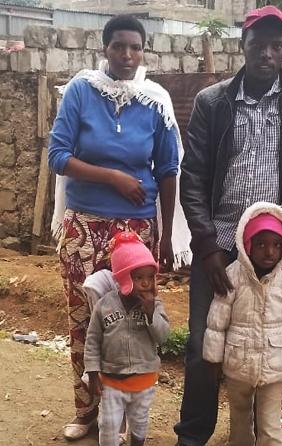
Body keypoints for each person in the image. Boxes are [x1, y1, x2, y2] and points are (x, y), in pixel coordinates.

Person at [176, 5, 282, 445]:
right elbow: (194, 177)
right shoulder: (214, 102)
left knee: (270, 341)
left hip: (276, 253)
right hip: (223, 245)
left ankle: (260, 434)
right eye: (258, 44)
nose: (267, 53)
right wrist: (206, 245)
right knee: (202, 346)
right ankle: (193, 436)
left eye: (276, 45)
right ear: (242, 46)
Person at [48, 14, 190, 440]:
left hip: (136, 232)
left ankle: (127, 409)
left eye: (135, 47)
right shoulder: (80, 91)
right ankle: (87, 410)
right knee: (83, 318)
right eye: (118, 46)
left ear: (143, 51)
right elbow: (58, 156)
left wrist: (164, 236)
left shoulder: (155, 100)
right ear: (104, 48)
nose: (127, 55)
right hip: (83, 229)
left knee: (131, 321)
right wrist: (113, 177)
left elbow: (168, 169)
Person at [202, 202, 282, 446]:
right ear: (247, 245)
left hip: (275, 368)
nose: (269, 252)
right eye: (261, 244)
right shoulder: (232, 274)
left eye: (276, 245)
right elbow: (216, 321)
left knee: (270, 427)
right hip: (237, 365)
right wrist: (213, 360)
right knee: (240, 423)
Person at [85, 231, 171, 446]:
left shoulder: (155, 305)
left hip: (144, 380)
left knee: (140, 421)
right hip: (112, 380)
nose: (146, 283)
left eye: (150, 277)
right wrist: (93, 373)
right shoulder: (104, 305)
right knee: (109, 424)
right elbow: (93, 340)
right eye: (138, 277)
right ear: (124, 277)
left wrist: (151, 313)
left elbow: (163, 337)